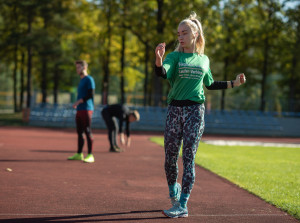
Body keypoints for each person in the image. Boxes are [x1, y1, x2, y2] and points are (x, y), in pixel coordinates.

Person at [155, 12, 246, 218]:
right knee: (170, 157)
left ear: (195, 34)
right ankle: (173, 193)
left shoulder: (204, 60)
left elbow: (211, 84)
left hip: (196, 111)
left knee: (189, 158)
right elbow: (162, 73)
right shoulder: (174, 57)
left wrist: (234, 83)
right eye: (178, 33)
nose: (180, 36)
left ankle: (183, 205)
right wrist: (159, 60)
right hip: (175, 110)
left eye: (184, 32)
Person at [68, 60, 96, 163]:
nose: (77, 70)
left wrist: (79, 101)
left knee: (87, 131)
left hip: (87, 109)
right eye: (76, 68)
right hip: (79, 109)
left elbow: (91, 94)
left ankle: (90, 155)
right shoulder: (81, 80)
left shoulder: (89, 79)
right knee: (79, 132)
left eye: (79, 67)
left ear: (84, 68)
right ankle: (79, 154)